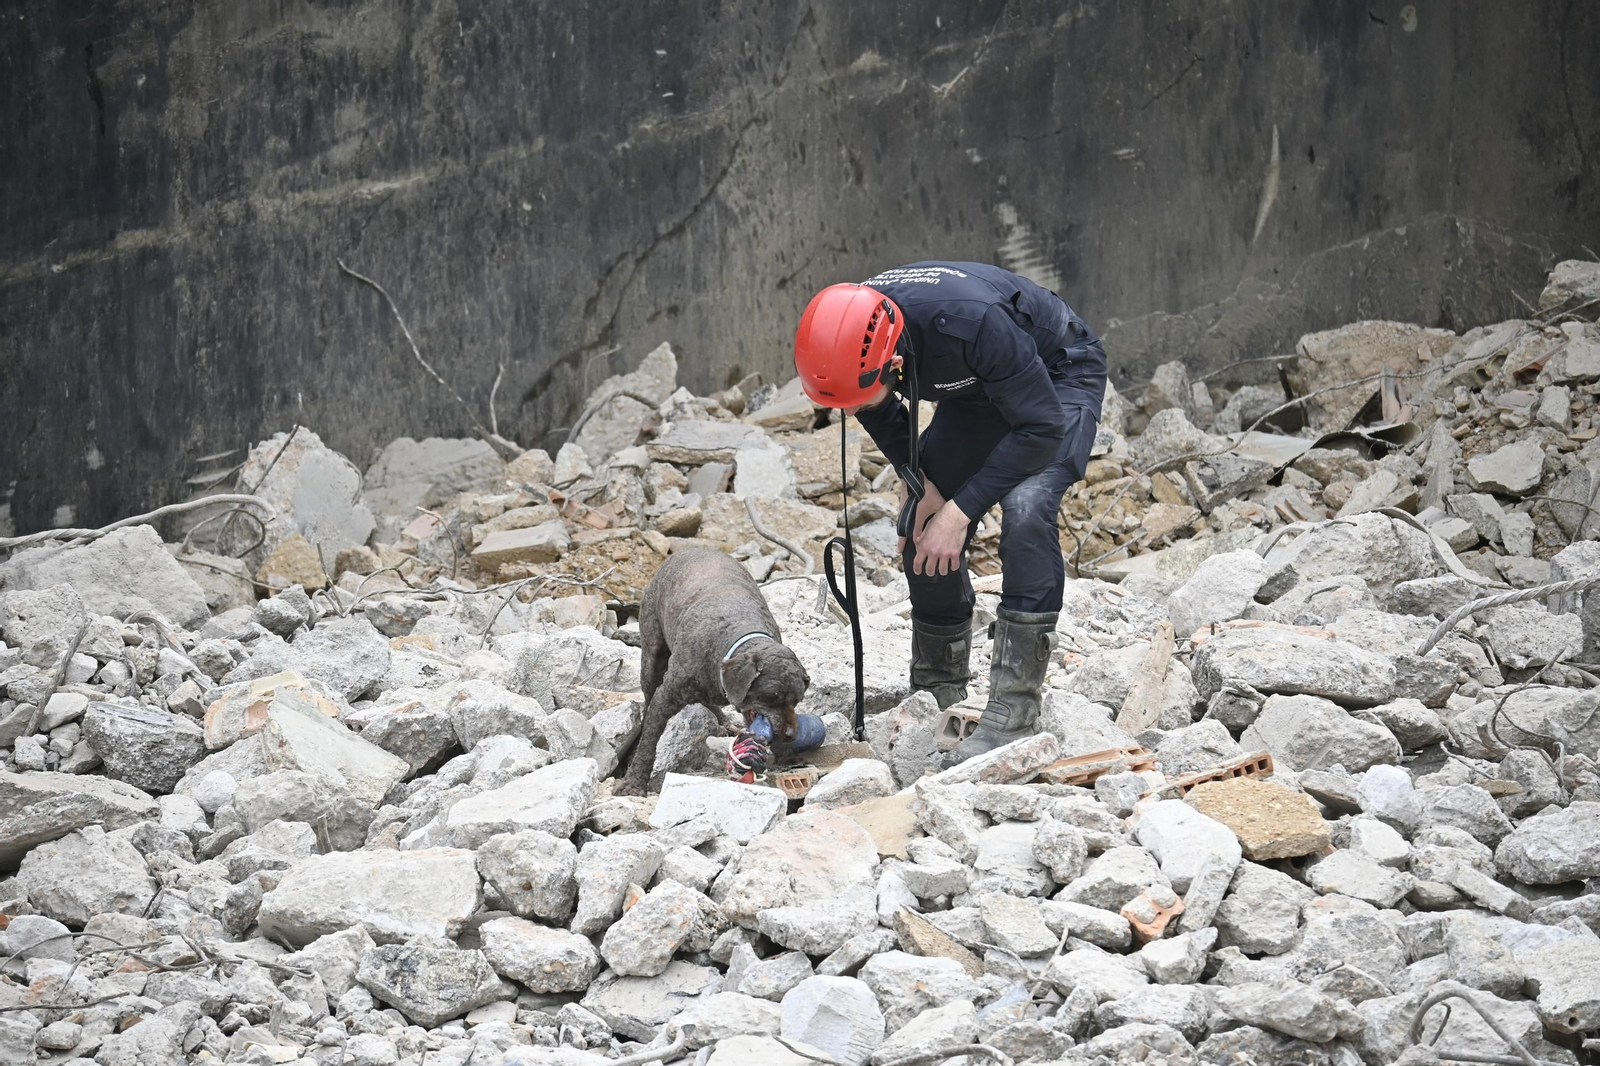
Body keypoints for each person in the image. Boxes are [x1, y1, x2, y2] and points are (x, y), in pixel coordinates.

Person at [792, 262, 1106, 766]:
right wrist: (923, 481)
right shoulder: (846, 335)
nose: (856, 410)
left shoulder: (970, 322)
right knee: (920, 521)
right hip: (978, 386)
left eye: (863, 395)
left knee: (1025, 509)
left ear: (892, 360)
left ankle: (1013, 709)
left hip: (1055, 376)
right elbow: (875, 406)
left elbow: (1041, 427)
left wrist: (960, 512)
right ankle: (937, 686)